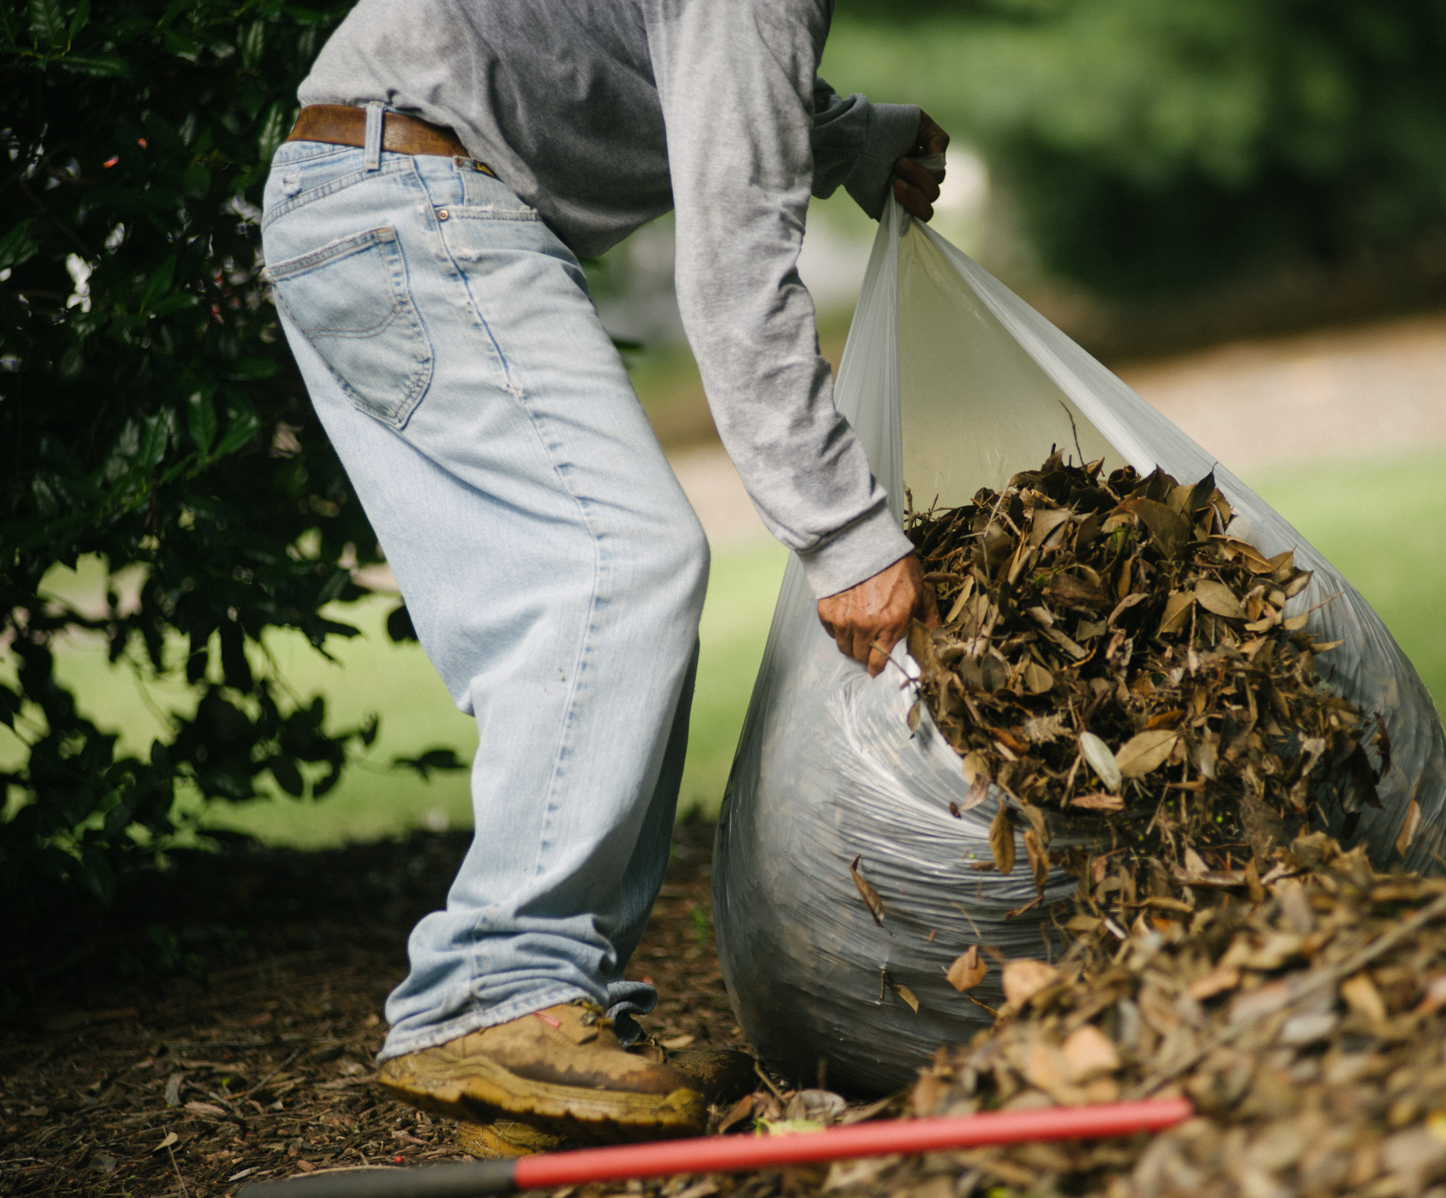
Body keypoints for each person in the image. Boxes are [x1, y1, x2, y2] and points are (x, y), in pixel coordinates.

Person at [259, 0, 943, 1147]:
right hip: (413, 193)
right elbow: (735, 271)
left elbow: (693, 75)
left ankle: (546, 1039)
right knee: (618, 561)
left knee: (578, 585)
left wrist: (855, 136)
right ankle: (493, 990)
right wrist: (847, 534)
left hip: (366, 188)